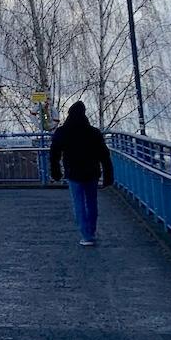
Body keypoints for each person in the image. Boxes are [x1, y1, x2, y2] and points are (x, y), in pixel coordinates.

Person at [49, 100, 114, 247]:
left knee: (78, 203)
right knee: (92, 202)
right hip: (92, 172)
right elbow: (105, 155)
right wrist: (108, 176)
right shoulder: (94, 132)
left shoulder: (62, 132)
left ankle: (86, 235)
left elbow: (54, 154)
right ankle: (92, 230)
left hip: (73, 173)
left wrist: (56, 172)